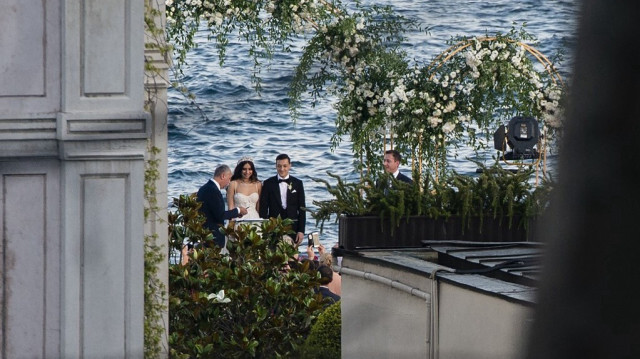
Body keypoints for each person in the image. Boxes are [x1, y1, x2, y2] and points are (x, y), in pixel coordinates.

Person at [259, 153, 306, 246]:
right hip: (274, 227)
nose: (282, 169)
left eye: (285, 166)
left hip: (293, 226)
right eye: (279, 166)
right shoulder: (268, 183)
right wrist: (265, 229)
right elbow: (263, 208)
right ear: (275, 166)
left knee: (292, 256)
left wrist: (301, 230)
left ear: (290, 166)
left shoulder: (298, 183)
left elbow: (302, 209)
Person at [196, 164, 248, 247]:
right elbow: (220, 215)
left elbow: (214, 212)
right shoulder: (213, 190)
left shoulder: (205, 188)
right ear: (223, 176)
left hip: (204, 234)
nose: (229, 182)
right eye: (229, 178)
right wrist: (238, 210)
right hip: (212, 238)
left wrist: (236, 214)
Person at [227, 156, 262, 220]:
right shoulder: (233, 184)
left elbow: (258, 207)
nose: (247, 172)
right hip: (238, 218)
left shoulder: (258, 184)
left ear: (253, 170)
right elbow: (230, 207)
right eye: (244, 169)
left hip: (255, 218)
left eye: (250, 169)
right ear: (240, 170)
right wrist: (231, 223)